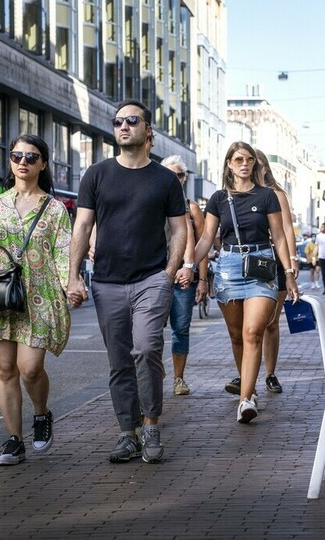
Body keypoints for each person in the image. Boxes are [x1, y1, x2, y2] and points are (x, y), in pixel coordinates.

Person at [66, 100, 188, 464]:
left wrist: (169, 273)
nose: (123, 126)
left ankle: (151, 425)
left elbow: (180, 229)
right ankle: (127, 433)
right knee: (119, 361)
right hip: (107, 282)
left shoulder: (165, 179)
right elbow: (83, 226)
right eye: (118, 121)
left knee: (148, 348)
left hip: (152, 278)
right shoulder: (97, 175)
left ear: (147, 129)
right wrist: (73, 274)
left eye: (132, 121)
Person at [0, 134, 71, 465]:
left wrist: (71, 284)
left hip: (39, 295)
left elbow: (63, 253)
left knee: (30, 368)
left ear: (43, 164)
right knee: (6, 369)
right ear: (11, 161)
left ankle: (41, 413)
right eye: (17, 156)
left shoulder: (56, 208)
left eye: (31, 157)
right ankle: (14, 440)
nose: (22, 162)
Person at [192, 142, 299, 423]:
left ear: (254, 163)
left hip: (261, 265)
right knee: (237, 335)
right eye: (238, 159)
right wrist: (189, 265)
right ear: (229, 163)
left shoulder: (267, 196)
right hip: (228, 267)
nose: (244, 163)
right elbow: (206, 238)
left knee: (253, 332)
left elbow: (278, 236)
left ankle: (246, 399)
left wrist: (288, 272)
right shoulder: (217, 198)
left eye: (249, 159)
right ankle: (248, 386)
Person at [161, 155, 210, 396]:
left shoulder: (191, 208)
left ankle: (178, 378)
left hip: (184, 276)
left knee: (180, 328)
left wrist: (201, 279)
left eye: (179, 174)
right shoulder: (155, 203)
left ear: (184, 178)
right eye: (170, 174)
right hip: (156, 274)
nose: (174, 178)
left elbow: (203, 244)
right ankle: (155, 367)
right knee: (151, 328)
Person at [256, 148, 298, 394]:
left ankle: (270, 373)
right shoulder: (241, 194)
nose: (254, 167)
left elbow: (287, 229)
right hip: (252, 263)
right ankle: (245, 373)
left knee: (271, 322)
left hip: (276, 262)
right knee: (250, 324)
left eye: (258, 162)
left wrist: (290, 264)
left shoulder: (276, 193)